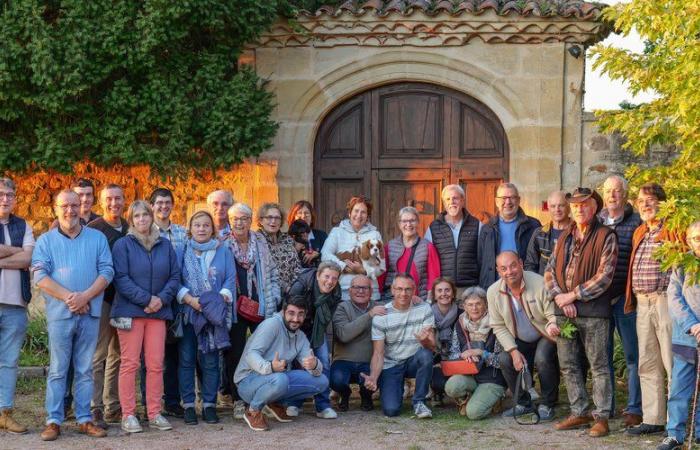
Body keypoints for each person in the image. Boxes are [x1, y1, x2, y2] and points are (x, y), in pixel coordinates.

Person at [32, 190, 113, 441]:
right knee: (58, 369)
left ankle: (84, 419)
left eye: (74, 205)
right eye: (64, 206)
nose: (70, 210)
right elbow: (40, 277)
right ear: (55, 209)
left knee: (85, 369)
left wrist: (85, 297)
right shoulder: (45, 241)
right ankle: (54, 420)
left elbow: (107, 271)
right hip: (60, 315)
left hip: (89, 313)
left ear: (82, 207)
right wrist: (71, 298)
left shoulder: (97, 238)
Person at [544, 187, 617, 437]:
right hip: (565, 311)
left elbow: (605, 276)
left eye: (584, 204)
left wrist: (573, 295)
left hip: (594, 312)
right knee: (568, 365)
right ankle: (579, 411)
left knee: (599, 365)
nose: (579, 209)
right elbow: (549, 271)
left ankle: (602, 416)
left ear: (594, 207)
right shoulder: (565, 236)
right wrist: (561, 299)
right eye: (575, 206)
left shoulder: (606, 235)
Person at [111, 201, 180, 433]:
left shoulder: (165, 245)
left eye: (145, 215)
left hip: (158, 313)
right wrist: (146, 299)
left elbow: (174, 276)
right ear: (131, 220)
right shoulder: (123, 245)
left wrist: (160, 299)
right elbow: (120, 278)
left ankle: (154, 412)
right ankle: (128, 414)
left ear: (152, 218)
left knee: (155, 365)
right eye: (137, 216)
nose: (142, 219)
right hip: (130, 312)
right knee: (130, 364)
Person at [625, 182, 682, 436]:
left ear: (662, 203)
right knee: (647, 362)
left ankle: (675, 422)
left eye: (650, 200)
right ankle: (653, 418)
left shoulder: (673, 230)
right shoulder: (639, 232)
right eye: (640, 201)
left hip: (665, 301)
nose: (645, 205)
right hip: (642, 302)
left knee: (672, 361)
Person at [176, 210, 235, 426]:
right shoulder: (182, 251)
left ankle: (210, 404)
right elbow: (175, 279)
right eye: (197, 225)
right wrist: (191, 300)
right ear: (190, 228)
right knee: (187, 360)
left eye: (206, 225)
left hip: (213, 316)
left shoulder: (223, 251)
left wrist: (214, 303)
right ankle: (189, 405)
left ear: (213, 229)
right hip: (189, 313)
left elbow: (230, 281)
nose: (201, 229)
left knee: (211, 361)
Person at [234, 295, 328, 432]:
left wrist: (314, 365)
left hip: (275, 380)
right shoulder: (271, 324)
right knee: (281, 379)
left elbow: (314, 367)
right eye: (291, 313)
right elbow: (251, 355)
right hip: (247, 382)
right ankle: (253, 410)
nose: (296, 319)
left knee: (322, 381)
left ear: (305, 315)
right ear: (283, 311)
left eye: (300, 314)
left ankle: (274, 401)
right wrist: (270, 367)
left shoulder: (300, 337)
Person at [222, 203, 281, 420]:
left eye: (244, 218)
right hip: (235, 308)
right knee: (235, 353)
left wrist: (274, 296)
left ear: (250, 221)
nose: (240, 222)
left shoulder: (261, 242)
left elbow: (272, 272)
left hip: (262, 305)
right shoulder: (224, 245)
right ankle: (238, 399)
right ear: (230, 221)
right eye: (235, 218)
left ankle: (262, 396)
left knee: (263, 350)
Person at [488, 251, 559, 421]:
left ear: (521, 263)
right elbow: (498, 326)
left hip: (544, 333)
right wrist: (513, 351)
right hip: (519, 338)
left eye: (513, 265)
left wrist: (552, 324)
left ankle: (548, 404)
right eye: (504, 268)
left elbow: (552, 314)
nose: (509, 271)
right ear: (498, 271)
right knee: (505, 359)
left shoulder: (539, 282)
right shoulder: (493, 292)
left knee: (542, 358)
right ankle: (523, 403)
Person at [597, 175, 642, 426]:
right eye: (608, 191)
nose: (612, 195)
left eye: (617, 191)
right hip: (601, 301)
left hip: (626, 300)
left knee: (632, 355)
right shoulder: (597, 221)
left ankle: (634, 408)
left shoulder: (636, 221)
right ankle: (608, 406)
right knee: (603, 357)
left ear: (625, 195)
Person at [361, 275, 435, 418]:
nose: (403, 293)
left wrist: (424, 341)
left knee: (425, 354)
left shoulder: (424, 308)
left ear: (414, 290)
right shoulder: (382, 315)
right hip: (391, 364)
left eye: (408, 289)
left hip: (413, 359)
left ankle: (419, 402)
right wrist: (374, 377)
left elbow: (431, 347)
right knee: (391, 411)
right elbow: (378, 353)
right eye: (399, 289)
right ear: (392, 290)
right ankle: (394, 389)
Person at [87, 183, 129, 428]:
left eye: (118, 198)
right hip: (102, 299)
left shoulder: (129, 228)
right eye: (109, 199)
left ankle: (112, 405)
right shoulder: (94, 229)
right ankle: (95, 408)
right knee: (99, 354)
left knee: (119, 355)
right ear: (102, 202)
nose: (114, 203)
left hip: (125, 302)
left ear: (124, 200)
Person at [657, 220, 700, 450]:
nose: (699, 242)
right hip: (685, 338)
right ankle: (674, 433)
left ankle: (699, 431)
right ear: (689, 241)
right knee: (679, 389)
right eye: (696, 238)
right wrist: (693, 325)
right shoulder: (682, 266)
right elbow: (674, 299)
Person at [286, 262, 342, 419]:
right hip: (297, 328)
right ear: (318, 276)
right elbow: (290, 314)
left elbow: (327, 318)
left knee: (323, 360)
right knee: (299, 363)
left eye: (334, 278)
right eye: (326, 276)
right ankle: (294, 402)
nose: (330, 281)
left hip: (317, 329)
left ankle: (322, 405)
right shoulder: (301, 286)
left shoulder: (336, 292)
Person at [148, 187, 187, 418]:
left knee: (173, 352)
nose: (163, 206)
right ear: (152, 206)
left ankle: (172, 401)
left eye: (167, 202)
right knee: (150, 356)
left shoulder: (183, 233)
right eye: (159, 203)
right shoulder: (144, 231)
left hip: (177, 298)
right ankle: (149, 404)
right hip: (153, 300)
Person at [0, 178, 34, 434]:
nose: (5, 199)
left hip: (16, 304)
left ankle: (5, 412)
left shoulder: (24, 225)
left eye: (10, 194)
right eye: (1, 194)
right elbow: (21, 256)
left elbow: (29, 258)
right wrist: (16, 253)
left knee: (10, 361)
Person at [443, 287, 506, 419]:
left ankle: (496, 398)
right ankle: (471, 397)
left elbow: (504, 361)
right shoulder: (460, 323)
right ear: (464, 306)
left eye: (478, 303)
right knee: (451, 387)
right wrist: (464, 355)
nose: (474, 308)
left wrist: (482, 353)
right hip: (469, 374)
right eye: (470, 305)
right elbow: (453, 354)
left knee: (473, 413)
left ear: (486, 304)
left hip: (492, 378)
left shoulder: (497, 323)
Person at [331, 275, 386, 412]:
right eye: (356, 287)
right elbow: (344, 335)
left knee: (377, 376)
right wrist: (369, 315)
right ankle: (345, 394)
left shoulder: (378, 307)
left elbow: (398, 305)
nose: (360, 291)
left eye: (365, 288)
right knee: (336, 380)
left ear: (371, 291)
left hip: (368, 362)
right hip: (344, 360)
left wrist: (415, 301)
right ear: (349, 290)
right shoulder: (342, 308)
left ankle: (366, 396)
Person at [479, 182, 541, 289]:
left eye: (512, 197)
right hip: (495, 287)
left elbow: (539, 258)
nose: (508, 202)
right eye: (503, 198)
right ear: (496, 201)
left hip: (526, 286)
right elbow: (480, 260)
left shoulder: (533, 225)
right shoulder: (487, 228)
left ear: (518, 200)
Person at [321, 196, 384, 301]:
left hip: (370, 293)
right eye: (356, 211)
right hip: (344, 292)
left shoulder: (375, 234)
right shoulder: (337, 232)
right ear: (350, 213)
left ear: (368, 216)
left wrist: (363, 270)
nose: (359, 215)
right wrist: (344, 266)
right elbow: (325, 254)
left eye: (363, 212)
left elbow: (381, 266)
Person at [425, 185, 481, 298]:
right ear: (444, 203)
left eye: (455, 198)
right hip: (443, 290)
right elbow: (427, 259)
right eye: (448, 199)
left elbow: (484, 257)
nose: (452, 202)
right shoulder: (433, 227)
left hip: (470, 289)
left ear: (463, 200)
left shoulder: (477, 225)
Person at [381, 206, 440, 301]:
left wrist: (429, 302)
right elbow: (382, 273)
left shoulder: (428, 247)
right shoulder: (390, 246)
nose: (408, 224)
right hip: (393, 300)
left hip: (419, 300)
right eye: (404, 221)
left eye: (412, 220)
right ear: (399, 224)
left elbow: (434, 276)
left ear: (418, 223)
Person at [257, 203, 301, 295]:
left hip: (293, 293)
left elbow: (297, 266)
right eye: (269, 217)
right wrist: (286, 287)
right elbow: (263, 272)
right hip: (269, 294)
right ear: (261, 220)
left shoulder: (287, 239)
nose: (273, 221)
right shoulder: (256, 240)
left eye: (277, 218)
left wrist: (295, 287)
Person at [524, 190, 571, 275]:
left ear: (568, 207)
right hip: (543, 286)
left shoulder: (578, 233)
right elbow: (530, 264)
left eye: (561, 205)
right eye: (553, 206)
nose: (557, 210)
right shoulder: (539, 233)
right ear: (548, 208)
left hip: (570, 287)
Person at [429, 278, 459, 403]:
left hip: (457, 357)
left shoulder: (462, 313)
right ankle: (436, 392)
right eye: (439, 291)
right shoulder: (427, 314)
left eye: (447, 290)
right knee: (438, 383)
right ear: (434, 295)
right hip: (436, 357)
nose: (443, 294)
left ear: (453, 294)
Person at [287, 200, 327, 267]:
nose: (303, 216)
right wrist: (296, 249)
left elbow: (331, 255)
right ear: (293, 217)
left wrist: (318, 254)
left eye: (307, 213)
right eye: (299, 213)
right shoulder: (286, 237)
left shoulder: (321, 235)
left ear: (312, 218)